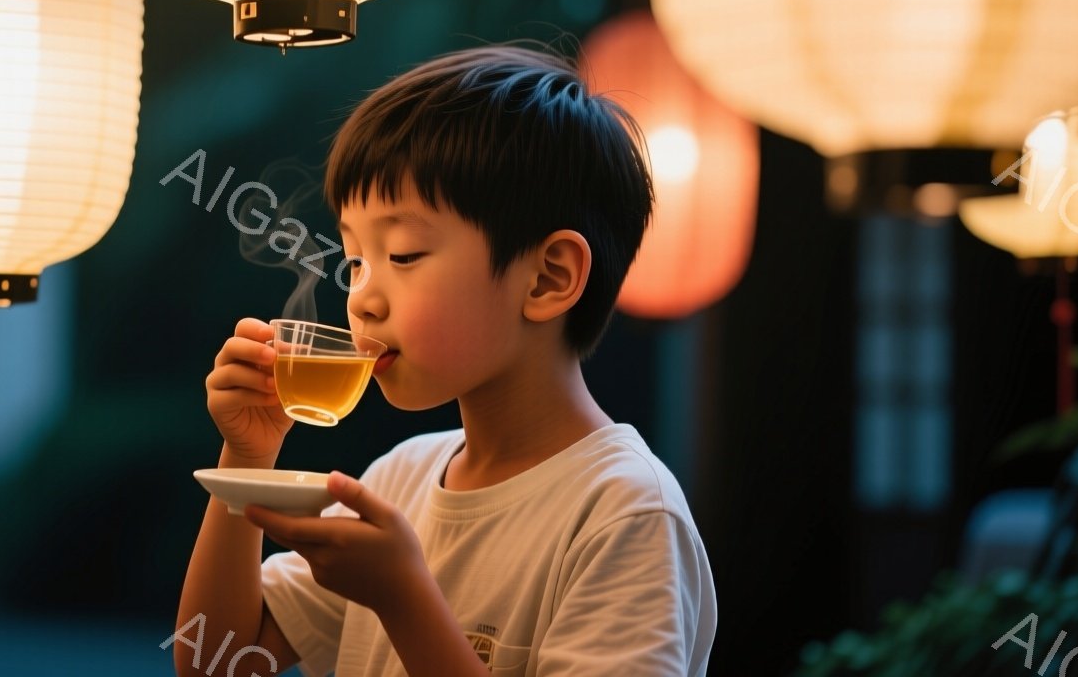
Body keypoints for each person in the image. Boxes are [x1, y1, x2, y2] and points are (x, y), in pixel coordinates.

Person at [174, 44, 717, 677]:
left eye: (402, 255)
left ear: (547, 279)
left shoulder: (623, 512)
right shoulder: (399, 479)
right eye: (354, 262)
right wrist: (247, 457)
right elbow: (216, 665)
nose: (362, 299)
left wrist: (404, 601)